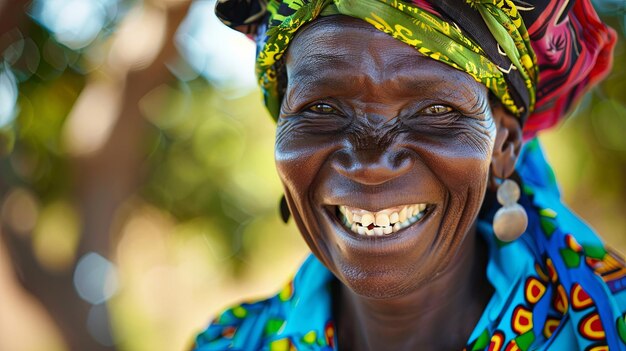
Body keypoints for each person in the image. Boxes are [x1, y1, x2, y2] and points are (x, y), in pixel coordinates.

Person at [193, 0, 626, 350]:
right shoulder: (230, 343)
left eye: (435, 111)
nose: (370, 162)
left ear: (504, 146)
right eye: (321, 109)